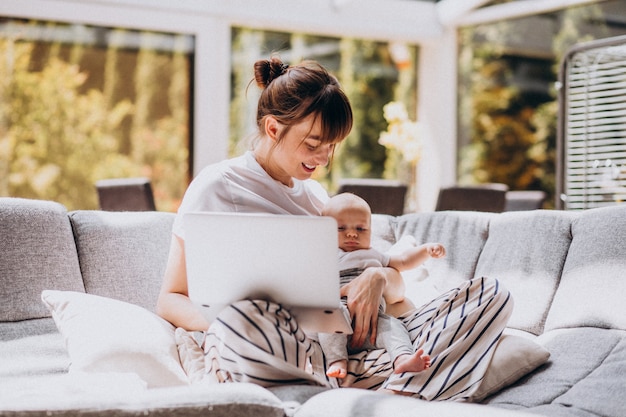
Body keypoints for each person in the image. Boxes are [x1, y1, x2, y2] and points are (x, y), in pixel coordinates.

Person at [157, 55, 514, 401]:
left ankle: (374, 384)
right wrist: (243, 321)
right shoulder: (218, 186)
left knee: (493, 296)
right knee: (245, 320)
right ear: (272, 128)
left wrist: (375, 277)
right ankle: (387, 387)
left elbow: (392, 286)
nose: (324, 158)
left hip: (345, 345)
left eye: (331, 147)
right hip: (267, 341)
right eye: (314, 144)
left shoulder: (318, 199)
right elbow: (170, 299)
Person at [319, 192, 446, 380]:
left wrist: (426, 250)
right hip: (339, 315)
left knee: (394, 326)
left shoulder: (374, 255)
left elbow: (403, 260)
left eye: (361, 229)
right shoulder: (326, 254)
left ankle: (402, 358)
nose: (352, 233)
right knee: (327, 313)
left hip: (373, 322)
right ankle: (337, 360)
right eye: (341, 228)